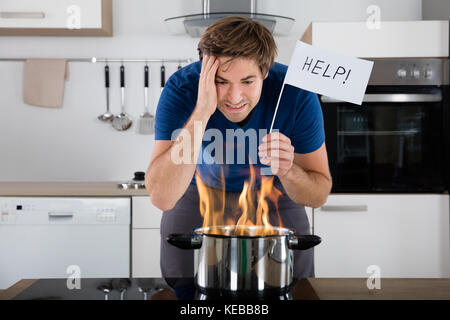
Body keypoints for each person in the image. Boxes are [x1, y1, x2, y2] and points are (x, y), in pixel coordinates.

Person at [145, 16, 332, 294]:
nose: (234, 97)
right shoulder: (182, 89)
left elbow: (317, 195)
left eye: (247, 81)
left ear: (265, 72)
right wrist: (202, 111)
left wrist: (288, 170)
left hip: (275, 192)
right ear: (204, 72)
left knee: (293, 287)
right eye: (221, 81)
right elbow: (162, 197)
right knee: (184, 286)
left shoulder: (296, 93)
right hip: (198, 191)